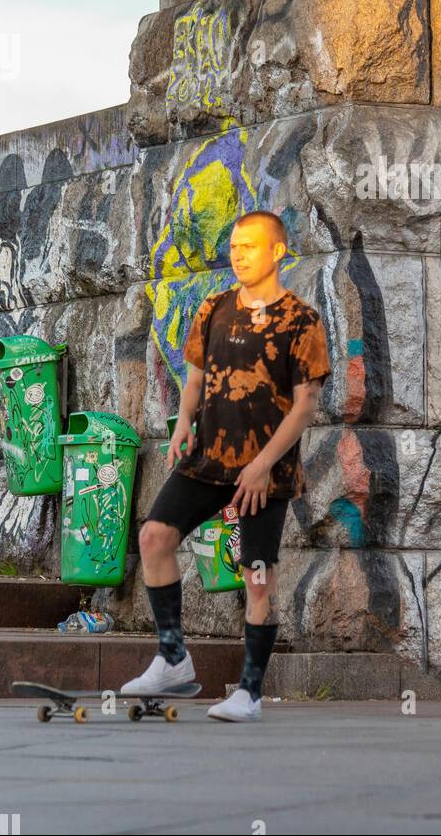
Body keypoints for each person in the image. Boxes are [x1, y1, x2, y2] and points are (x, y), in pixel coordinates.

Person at [122, 210, 331, 722]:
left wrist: (261, 466)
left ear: (277, 252)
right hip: (207, 458)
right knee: (154, 537)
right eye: (234, 245)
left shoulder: (301, 320)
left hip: (265, 470)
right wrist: (182, 422)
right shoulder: (214, 307)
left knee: (257, 576)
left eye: (250, 246)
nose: (237, 254)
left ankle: (250, 693)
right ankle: (173, 658)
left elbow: (305, 405)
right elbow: (194, 378)